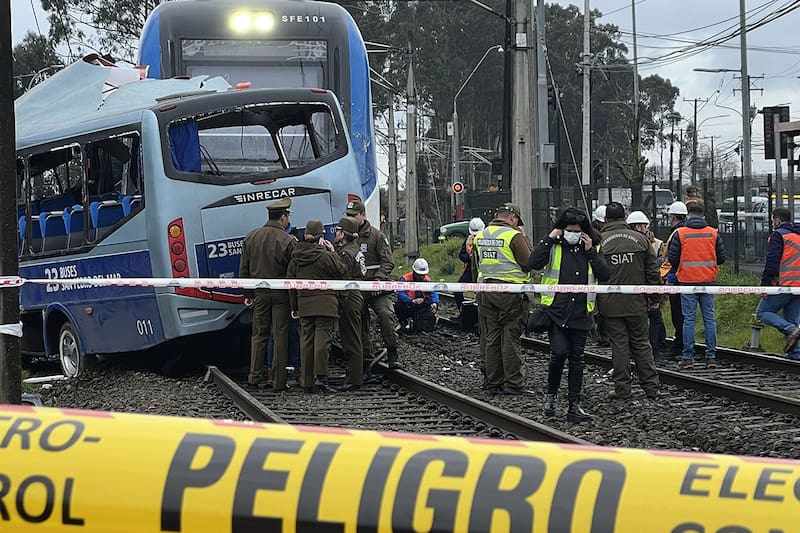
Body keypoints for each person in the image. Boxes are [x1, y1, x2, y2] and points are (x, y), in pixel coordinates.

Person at [530, 207, 609, 421]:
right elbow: (533, 263)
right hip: (556, 312)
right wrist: (549, 238)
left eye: (577, 230)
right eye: (569, 229)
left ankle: (574, 404)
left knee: (577, 359)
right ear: (561, 229)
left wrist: (591, 250)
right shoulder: (554, 246)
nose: (573, 233)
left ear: (585, 231)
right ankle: (551, 397)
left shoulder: (593, 247)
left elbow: (604, 274)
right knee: (558, 354)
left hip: (582, 313)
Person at [598, 202, 662, 400]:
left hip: (610, 304)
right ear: (625, 218)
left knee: (619, 345)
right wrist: (655, 297)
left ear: (605, 220)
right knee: (641, 343)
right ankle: (651, 388)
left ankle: (622, 388)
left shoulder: (599, 241)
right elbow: (652, 271)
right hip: (637, 302)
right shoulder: (641, 240)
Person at [473, 203, 534, 395]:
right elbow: (528, 262)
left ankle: (493, 381)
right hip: (511, 293)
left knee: (491, 337)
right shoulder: (513, 236)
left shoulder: (481, 235)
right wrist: (524, 237)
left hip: (486, 291)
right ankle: (514, 382)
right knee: (510, 338)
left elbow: (477, 264)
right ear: (513, 218)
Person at [239, 197, 296, 390]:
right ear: (282, 218)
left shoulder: (251, 237)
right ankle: (278, 381)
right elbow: (292, 272)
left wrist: (248, 293)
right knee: (279, 335)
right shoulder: (288, 241)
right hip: (280, 294)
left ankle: (254, 377)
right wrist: (293, 300)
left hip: (259, 293)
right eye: (287, 216)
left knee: (258, 334)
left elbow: (244, 268)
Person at [287, 219, 346, 392]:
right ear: (321, 237)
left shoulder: (295, 258)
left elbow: (291, 284)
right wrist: (333, 252)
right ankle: (321, 378)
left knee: (306, 342)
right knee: (322, 342)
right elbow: (342, 271)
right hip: (326, 305)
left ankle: (306, 381)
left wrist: (294, 307)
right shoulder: (326, 256)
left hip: (304, 303)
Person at [667, 200, 726, 369]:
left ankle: (687, 357)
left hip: (687, 281)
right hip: (708, 280)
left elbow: (673, 258)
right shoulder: (713, 234)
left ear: (688, 216)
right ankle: (711, 356)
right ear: (703, 216)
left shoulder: (681, 233)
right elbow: (721, 257)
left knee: (689, 320)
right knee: (709, 319)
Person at [347, 200, 401, 369]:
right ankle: (365, 356)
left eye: (353, 215)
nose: (350, 219)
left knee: (385, 315)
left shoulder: (376, 236)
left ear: (363, 215)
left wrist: (378, 280)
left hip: (377, 289)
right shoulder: (346, 236)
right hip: (357, 290)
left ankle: (392, 351)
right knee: (359, 321)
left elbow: (388, 261)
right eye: (348, 215)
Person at [756, 207, 800, 360]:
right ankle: (796, 355)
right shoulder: (798, 235)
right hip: (798, 286)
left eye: (772, 219)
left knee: (762, 313)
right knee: (793, 318)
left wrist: (765, 285)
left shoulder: (778, 236)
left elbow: (772, 262)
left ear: (777, 220)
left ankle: (790, 329)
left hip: (783, 284)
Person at [627, 210, 667, 357]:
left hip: (637, 287)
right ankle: (652, 350)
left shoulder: (627, 243)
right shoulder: (653, 243)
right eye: (645, 226)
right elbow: (657, 268)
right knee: (653, 318)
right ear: (639, 226)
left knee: (646, 320)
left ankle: (648, 349)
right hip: (649, 286)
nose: (646, 228)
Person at [335, 216, 368, 389]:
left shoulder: (345, 254)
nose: (336, 234)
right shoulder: (355, 250)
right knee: (354, 336)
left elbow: (344, 279)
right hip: (357, 294)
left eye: (338, 231)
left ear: (343, 234)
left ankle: (354, 379)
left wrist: (341, 302)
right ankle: (354, 375)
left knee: (351, 339)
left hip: (349, 297)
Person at [662, 201, 688, 358]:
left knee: (678, 314)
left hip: (677, 278)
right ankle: (683, 343)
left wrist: (670, 278)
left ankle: (679, 345)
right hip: (693, 278)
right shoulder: (687, 230)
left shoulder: (677, 233)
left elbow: (673, 259)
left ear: (672, 217)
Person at [395, 258, 439, 333]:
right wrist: (411, 300)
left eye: (423, 275)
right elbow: (400, 293)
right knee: (399, 305)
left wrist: (435, 303)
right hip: (408, 304)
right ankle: (403, 322)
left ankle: (423, 324)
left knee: (429, 307)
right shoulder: (405, 279)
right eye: (419, 275)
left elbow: (434, 292)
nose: (421, 277)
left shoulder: (428, 280)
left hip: (421, 305)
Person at [454, 217, 485, 310]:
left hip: (483, 271)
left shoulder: (486, 240)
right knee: (457, 290)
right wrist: (469, 258)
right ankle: (462, 310)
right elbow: (461, 255)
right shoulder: (468, 240)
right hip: (469, 270)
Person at [591, 205, 610, 347]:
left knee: (604, 308)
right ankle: (600, 334)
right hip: (593, 276)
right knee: (597, 308)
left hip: (604, 274)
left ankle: (603, 335)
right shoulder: (592, 236)